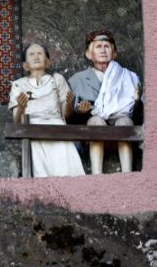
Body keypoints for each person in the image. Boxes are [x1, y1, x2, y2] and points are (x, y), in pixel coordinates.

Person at [68, 30, 142, 174]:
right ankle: (97, 173)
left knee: (125, 121)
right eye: (98, 46)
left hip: (119, 127)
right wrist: (81, 112)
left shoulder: (128, 77)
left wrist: (138, 100)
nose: (103, 50)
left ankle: (127, 172)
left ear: (114, 53)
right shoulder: (77, 80)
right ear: (88, 54)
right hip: (93, 132)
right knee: (96, 121)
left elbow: (138, 114)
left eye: (107, 46)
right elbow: (68, 116)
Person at [9, 43, 85, 177]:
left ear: (48, 63)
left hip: (58, 125)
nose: (36, 56)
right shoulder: (18, 85)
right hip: (32, 127)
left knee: (68, 169)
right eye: (31, 54)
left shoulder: (57, 80)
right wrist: (21, 108)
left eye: (40, 53)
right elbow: (17, 121)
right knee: (41, 166)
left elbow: (67, 116)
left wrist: (67, 103)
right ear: (25, 65)